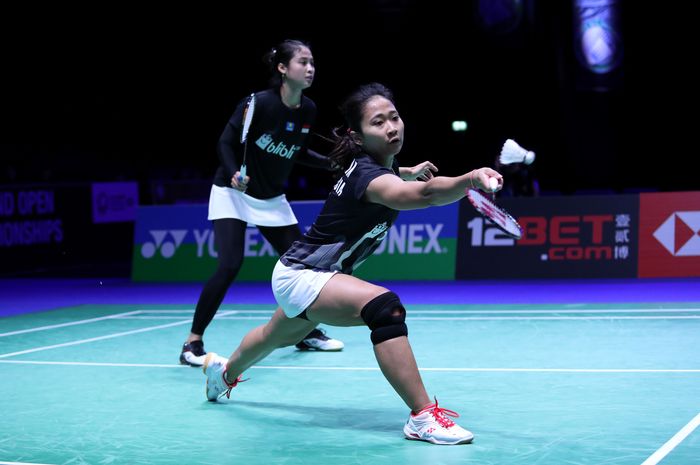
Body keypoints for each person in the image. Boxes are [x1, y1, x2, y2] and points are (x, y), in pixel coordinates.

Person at [200, 82, 503, 445]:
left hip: (312, 274)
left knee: (272, 336)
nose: (391, 127)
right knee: (385, 308)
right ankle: (423, 416)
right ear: (358, 136)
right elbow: (422, 193)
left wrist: (403, 171)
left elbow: (395, 180)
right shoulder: (369, 177)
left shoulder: (374, 170)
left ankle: (223, 373)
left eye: (394, 117)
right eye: (378, 122)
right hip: (304, 275)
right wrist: (470, 178)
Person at [179, 39, 346, 366]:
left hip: (271, 198)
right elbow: (225, 143)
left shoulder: (308, 109)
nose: (310, 68)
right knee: (229, 265)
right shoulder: (258, 103)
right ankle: (192, 344)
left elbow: (296, 152)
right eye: (302, 62)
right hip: (233, 194)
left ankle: (305, 332)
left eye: (312, 62)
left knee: (304, 266)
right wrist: (232, 175)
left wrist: (332, 164)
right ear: (283, 68)